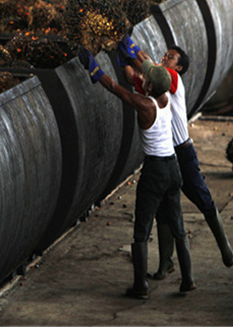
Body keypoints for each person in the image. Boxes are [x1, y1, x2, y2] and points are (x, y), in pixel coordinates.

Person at [78, 47, 196, 299]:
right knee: (178, 226)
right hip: (173, 168)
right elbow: (137, 77)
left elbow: (115, 89)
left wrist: (94, 68)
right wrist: (128, 61)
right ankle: (188, 279)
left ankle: (140, 287)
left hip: (154, 171)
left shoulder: (145, 104)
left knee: (142, 228)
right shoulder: (166, 99)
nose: (142, 78)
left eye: (146, 78)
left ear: (150, 88)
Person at [117, 36, 233, 280]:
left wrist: (133, 48)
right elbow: (133, 78)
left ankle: (225, 247)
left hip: (182, 152)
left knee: (201, 197)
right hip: (166, 157)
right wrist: (121, 58)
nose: (164, 58)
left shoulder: (173, 79)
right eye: (165, 55)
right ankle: (166, 263)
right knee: (165, 211)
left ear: (179, 67)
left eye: (170, 57)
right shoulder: (154, 86)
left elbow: (149, 66)